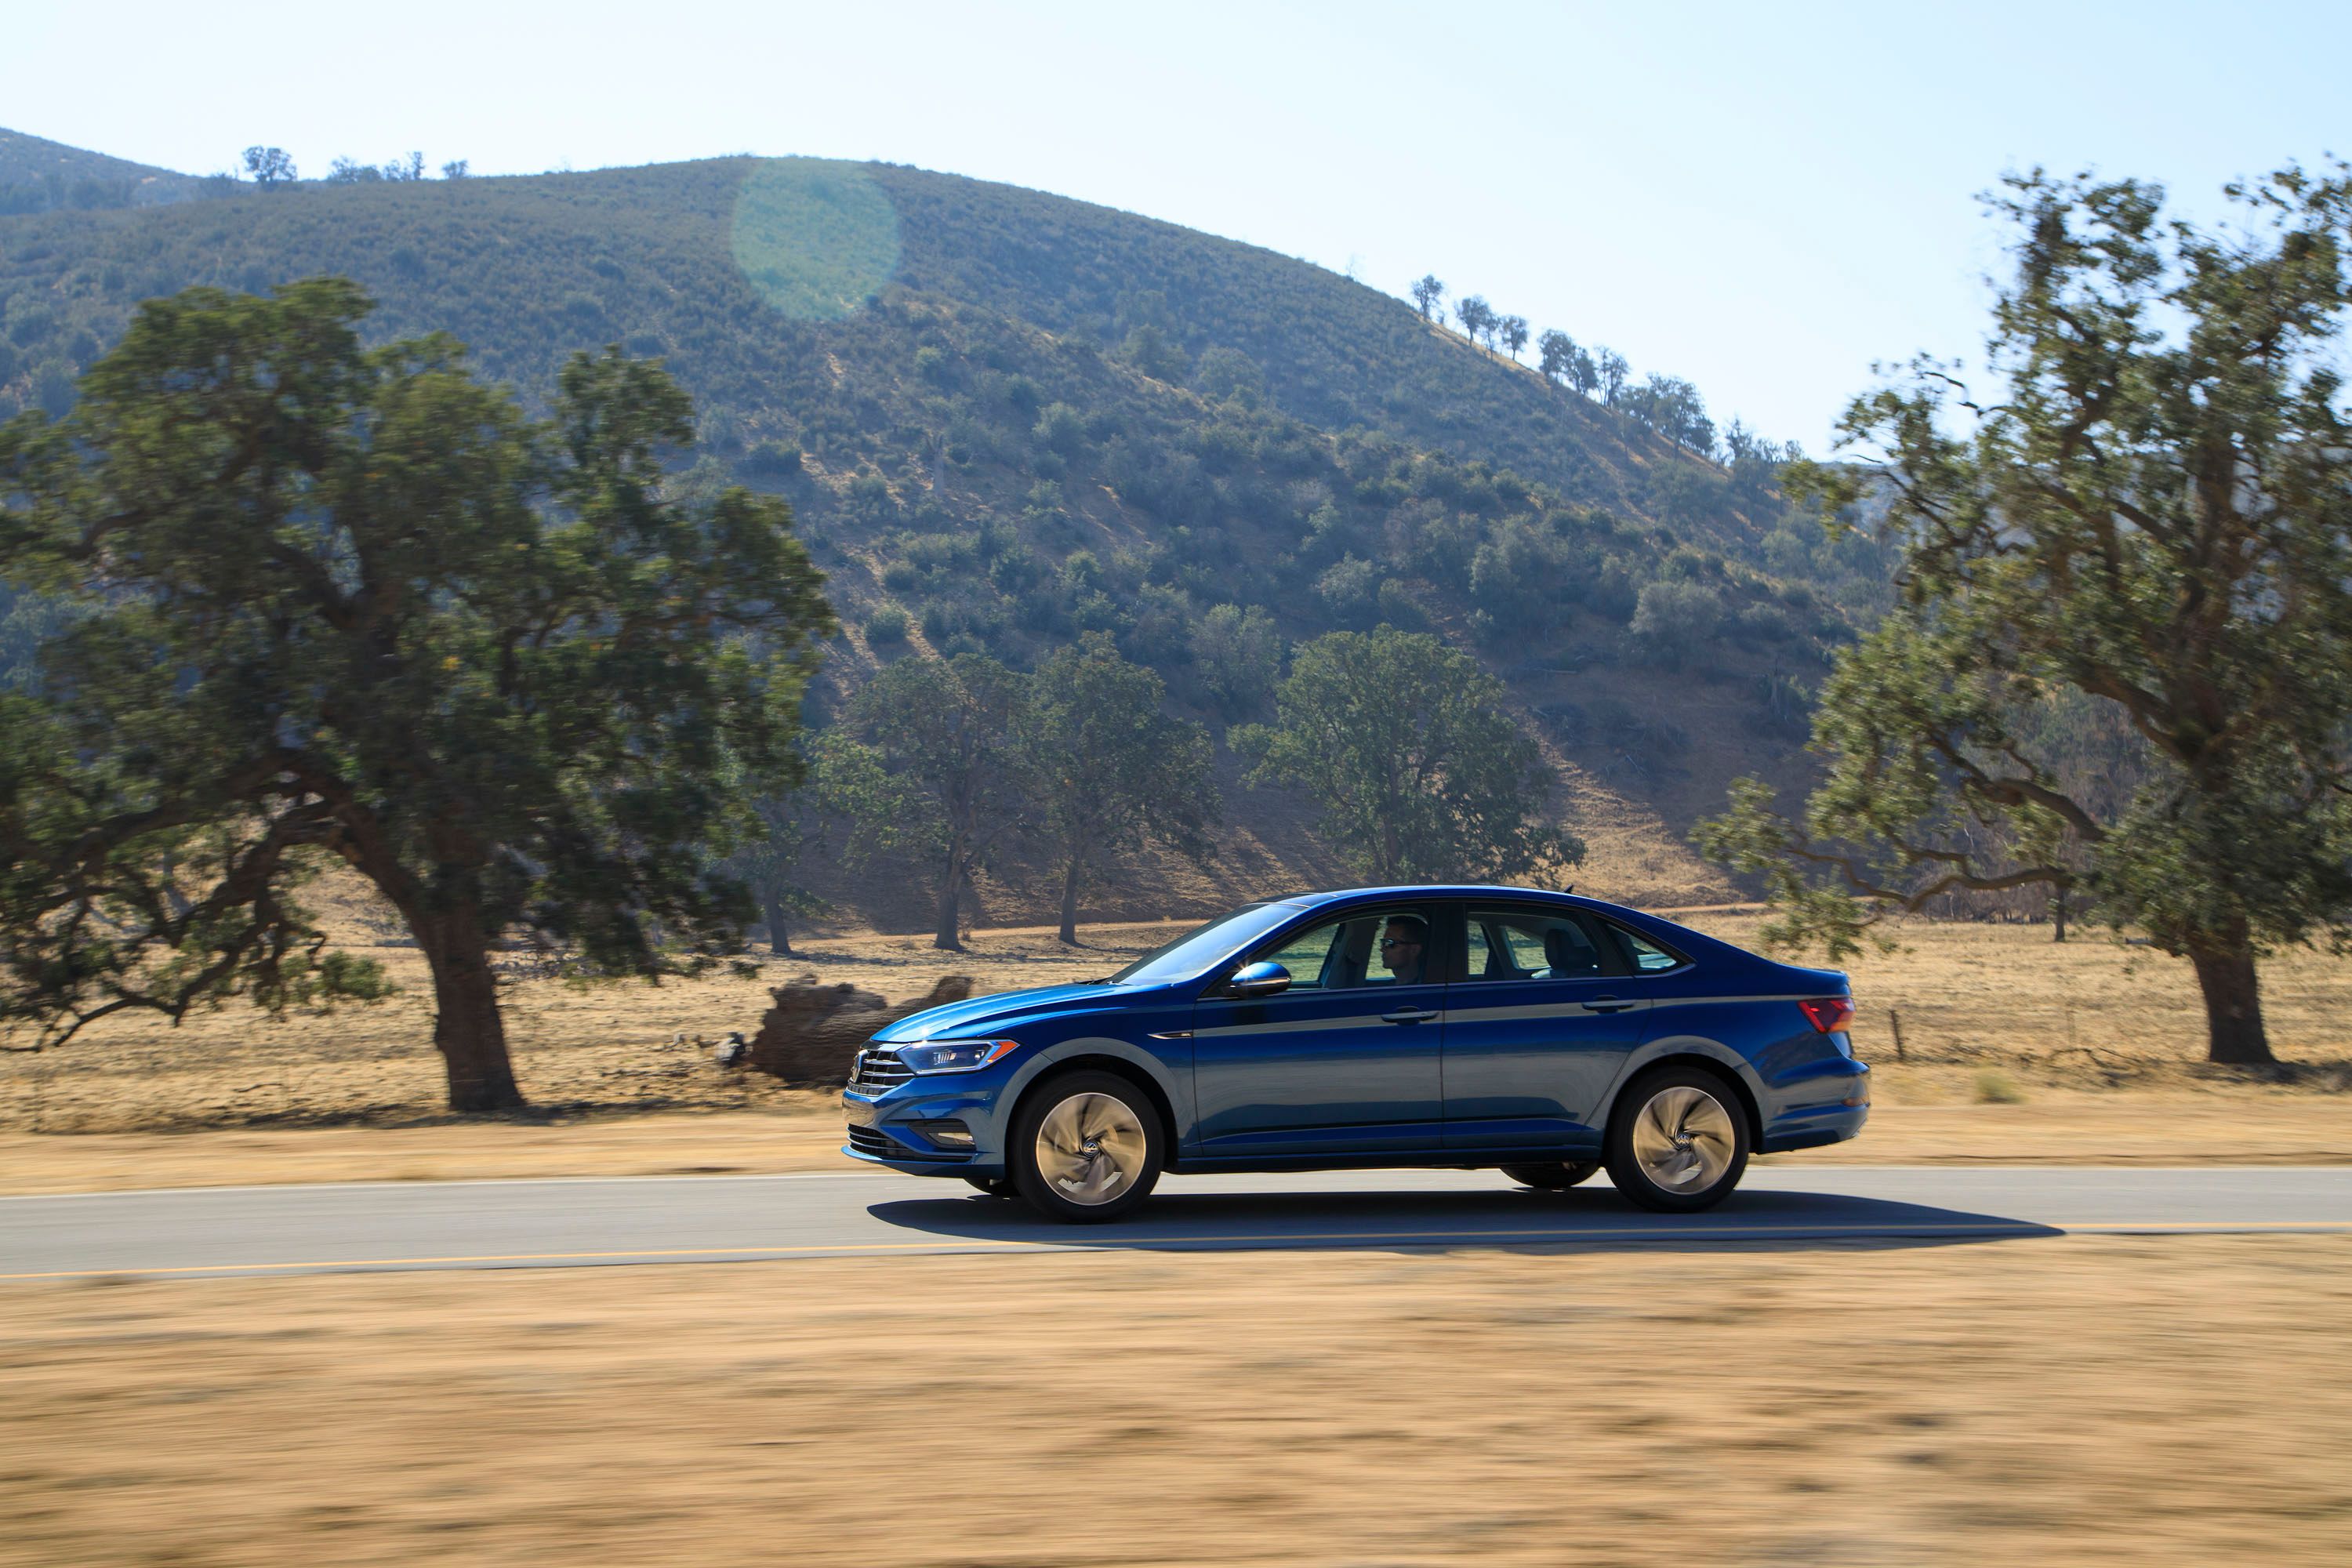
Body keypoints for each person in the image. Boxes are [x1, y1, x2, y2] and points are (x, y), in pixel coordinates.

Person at [1378, 914, 1428, 985]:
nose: (1382, 949)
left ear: (1414, 950)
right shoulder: (1385, 987)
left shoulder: (1423, 991)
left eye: (1390, 943)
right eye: (1383, 943)